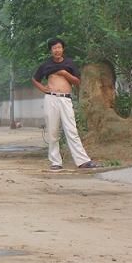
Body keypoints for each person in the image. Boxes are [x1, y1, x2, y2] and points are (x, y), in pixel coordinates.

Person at [32, 37, 98, 171]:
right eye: (54, 48)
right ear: (51, 50)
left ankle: (83, 161)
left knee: (71, 130)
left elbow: (77, 81)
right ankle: (55, 162)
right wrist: (42, 88)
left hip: (66, 99)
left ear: (63, 49)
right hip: (51, 99)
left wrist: (64, 74)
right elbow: (35, 79)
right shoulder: (46, 65)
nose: (57, 50)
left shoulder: (69, 63)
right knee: (52, 131)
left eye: (59, 47)